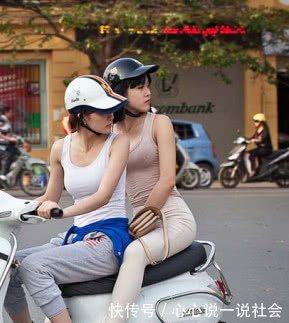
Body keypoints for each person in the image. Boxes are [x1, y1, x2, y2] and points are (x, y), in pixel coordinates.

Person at [4, 75, 131, 323]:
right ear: (82, 114)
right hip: (76, 236)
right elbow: (50, 197)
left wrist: (61, 212)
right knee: (7, 267)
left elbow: (103, 196)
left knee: (34, 267)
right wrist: (11, 209)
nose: (111, 117)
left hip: (107, 240)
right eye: (103, 111)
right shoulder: (60, 148)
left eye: (112, 110)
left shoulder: (119, 143)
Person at [102, 57, 197, 323]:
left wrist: (148, 214)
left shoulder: (159, 123)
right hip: (139, 221)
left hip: (171, 217)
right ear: (120, 92)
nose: (147, 91)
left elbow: (168, 180)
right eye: (138, 86)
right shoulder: (111, 132)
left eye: (147, 85)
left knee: (134, 253)